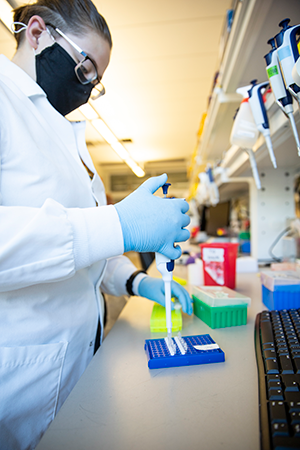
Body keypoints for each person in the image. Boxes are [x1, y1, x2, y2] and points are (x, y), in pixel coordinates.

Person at [0, 0, 192, 448]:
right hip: (19, 383)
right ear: (37, 33)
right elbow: (90, 233)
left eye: (96, 81)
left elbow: (85, 251)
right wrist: (118, 225)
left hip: (80, 369)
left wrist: (134, 279)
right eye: (85, 68)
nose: (87, 86)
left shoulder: (65, 132)